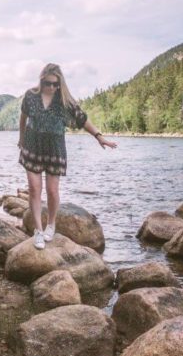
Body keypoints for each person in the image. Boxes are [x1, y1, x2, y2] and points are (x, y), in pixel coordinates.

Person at [18, 62, 117, 249]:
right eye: (49, 83)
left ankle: (51, 224)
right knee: (34, 188)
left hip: (55, 149)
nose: (52, 87)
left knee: (53, 191)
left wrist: (99, 136)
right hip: (32, 146)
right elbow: (23, 117)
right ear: (42, 80)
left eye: (56, 84)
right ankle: (38, 231)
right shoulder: (30, 96)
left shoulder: (64, 100)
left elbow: (83, 119)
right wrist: (21, 139)